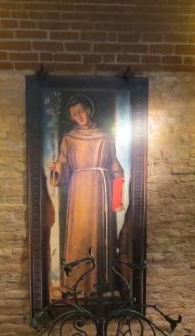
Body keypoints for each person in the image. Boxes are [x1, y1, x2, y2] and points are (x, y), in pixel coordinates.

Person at [49, 95, 125, 297]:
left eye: (81, 111)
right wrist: (58, 169)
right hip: (79, 191)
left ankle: (100, 284)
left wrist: (117, 199)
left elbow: (116, 168)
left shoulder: (104, 137)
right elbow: (63, 167)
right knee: (79, 234)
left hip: (101, 189)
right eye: (74, 115)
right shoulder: (69, 138)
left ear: (89, 111)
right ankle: (77, 283)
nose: (79, 116)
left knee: (99, 234)